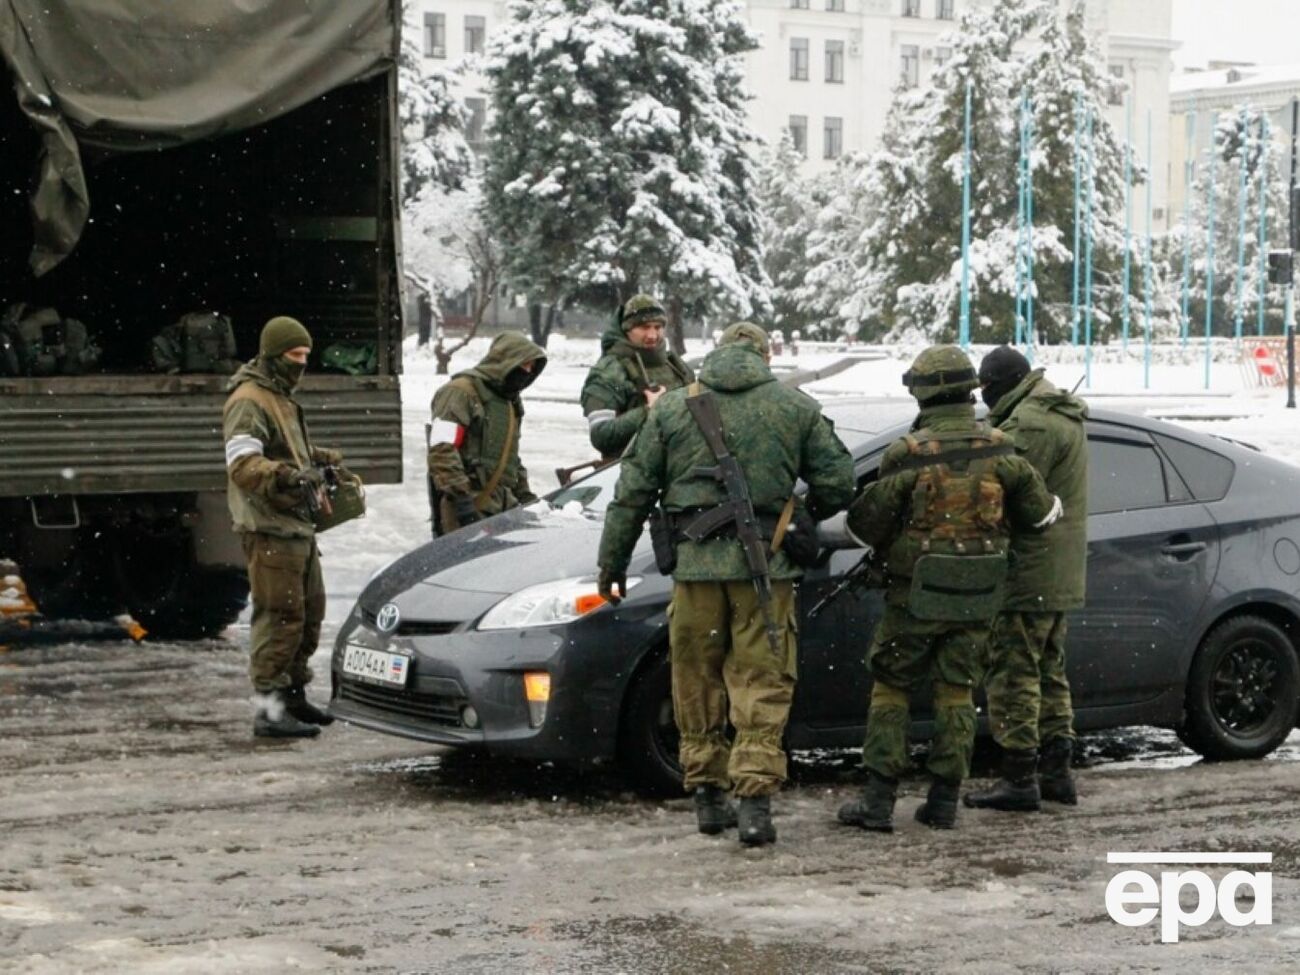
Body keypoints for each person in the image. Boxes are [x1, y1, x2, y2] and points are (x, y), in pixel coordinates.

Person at [597, 322, 855, 846]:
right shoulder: (795, 407)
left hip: (694, 574)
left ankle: (709, 798)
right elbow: (839, 482)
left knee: (695, 679)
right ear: (763, 355)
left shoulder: (670, 408)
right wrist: (796, 514)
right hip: (768, 571)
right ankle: (754, 805)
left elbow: (632, 491)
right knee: (761, 679)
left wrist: (613, 563)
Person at [837, 345, 1061, 833]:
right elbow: (1043, 515)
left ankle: (878, 802)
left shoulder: (908, 454)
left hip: (913, 598)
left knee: (892, 689)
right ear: (968, 390)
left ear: (922, 394)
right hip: (978, 599)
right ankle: (943, 801)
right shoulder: (1003, 449)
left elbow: (863, 526)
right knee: (956, 692)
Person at [964, 346, 1089, 812]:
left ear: (1001, 384)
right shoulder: (1058, 412)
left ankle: (1019, 777)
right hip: (1057, 568)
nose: (985, 400)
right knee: (1049, 671)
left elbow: (1012, 494)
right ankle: (1057, 772)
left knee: (1014, 673)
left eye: (987, 389)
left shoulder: (1029, 424)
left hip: (1027, 569)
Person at [223, 315, 343, 739]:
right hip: (269, 525)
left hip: (295, 523)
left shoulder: (280, 396)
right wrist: (289, 476)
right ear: (273, 355)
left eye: (306, 355)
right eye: (294, 355)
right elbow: (242, 464)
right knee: (279, 617)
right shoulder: (249, 400)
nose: (302, 363)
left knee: (308, 613)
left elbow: (283, 448)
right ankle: (269, 712)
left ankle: (292, 697)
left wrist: (315, 458)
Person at [428, 331, 547, 535]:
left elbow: (509, 457)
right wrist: (463, 502)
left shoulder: (509, 402)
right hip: (466, 505)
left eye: (532, 368)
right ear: (506, 361)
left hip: (503, 507)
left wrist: (526, 497)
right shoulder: (461, 393)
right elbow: (442, 449)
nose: (528, 372)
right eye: (524, 365)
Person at [580, 294, 694, 462]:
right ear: (627, 330)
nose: (652, 335)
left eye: (657, 327)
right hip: (632, 473)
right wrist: (648, 411)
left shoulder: (676, 366)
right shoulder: (609, 372)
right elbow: (601, 436)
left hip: (681, 467)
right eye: (644, 327)